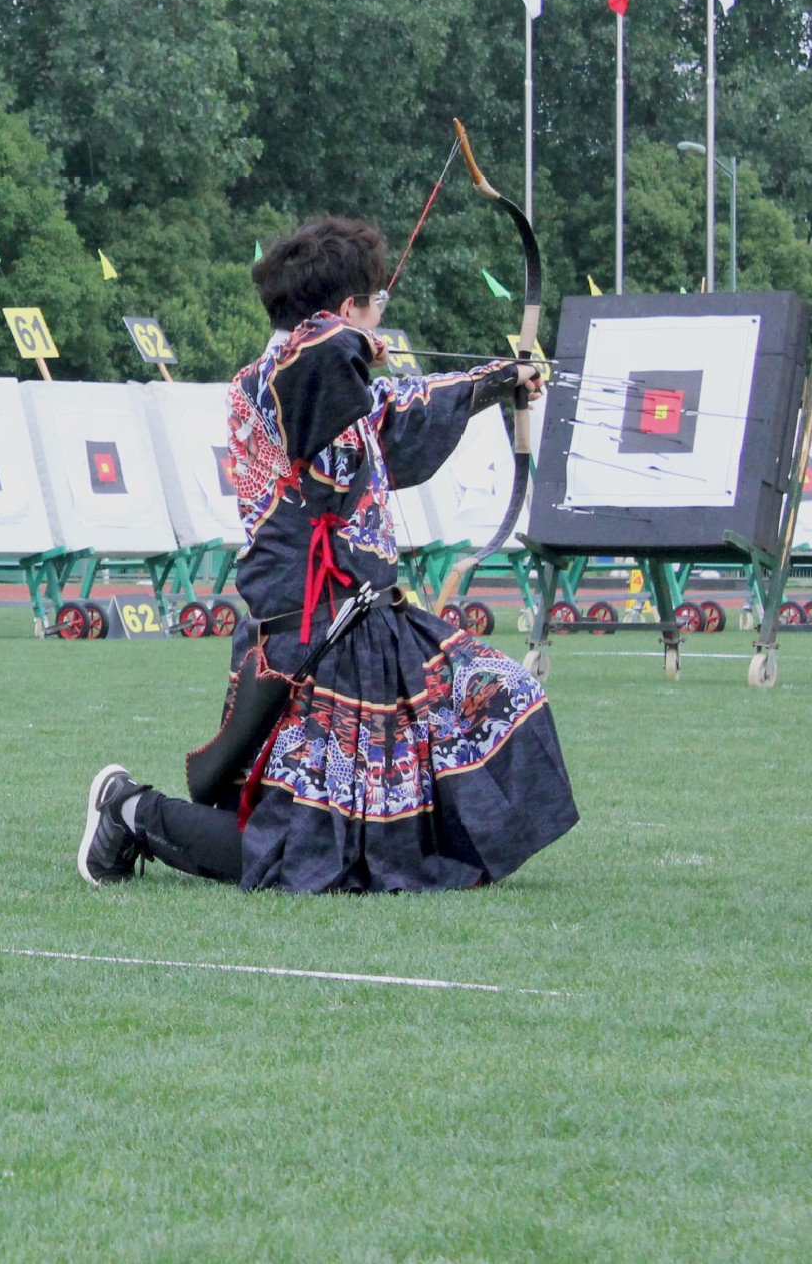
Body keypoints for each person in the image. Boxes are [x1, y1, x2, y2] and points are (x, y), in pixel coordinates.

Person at [79, 216, 579, 891]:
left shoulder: (346, 394)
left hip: (372, 627)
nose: (378, 321)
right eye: (372, 305)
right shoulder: (269, 383)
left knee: (504, 700)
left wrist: (499, 381)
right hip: (309, 640)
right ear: (345, 312)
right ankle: (129, 811)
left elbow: (408, 406)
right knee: (300, 851)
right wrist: (345, 334)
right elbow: (310, 366)